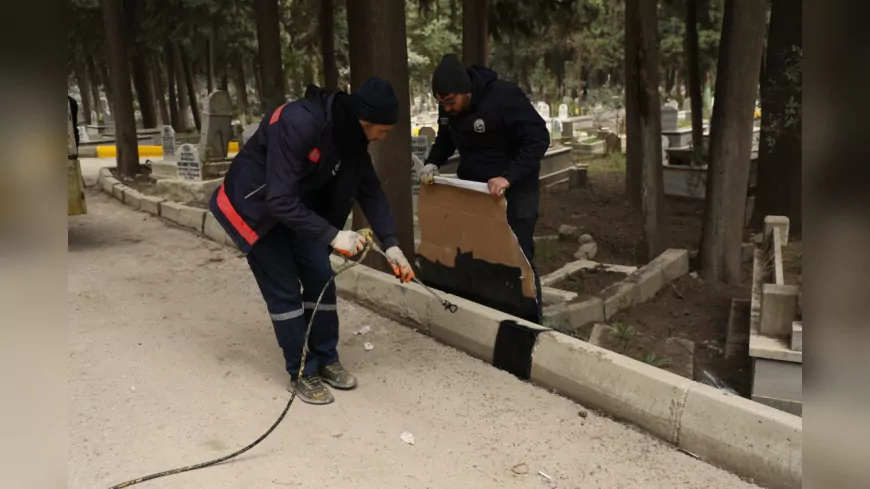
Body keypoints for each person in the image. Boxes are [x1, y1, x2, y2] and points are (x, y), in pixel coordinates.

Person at [209, 77, 416, 405]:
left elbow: (370, 190)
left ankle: (326, 358)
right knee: (285, 289)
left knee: (320, 275)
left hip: (297, 208)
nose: (384, 136)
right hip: (257, 207)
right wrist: (334, 235)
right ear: (366, 121)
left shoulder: (352, 137)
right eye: (384, 129)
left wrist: (391, 244)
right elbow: (278, 200)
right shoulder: (299, 122)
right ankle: (302, 370)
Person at [419, 54, 549, 323]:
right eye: (441, 103)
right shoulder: (449, 105)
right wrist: (432, 163)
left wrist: (508, 177)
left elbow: (538, 139)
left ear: (465, 91)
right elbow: (445, 139)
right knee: (479, 255)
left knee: (516, 257)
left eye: (450, 101)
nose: (447, 108)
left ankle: (529, 323)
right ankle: (486, 319)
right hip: (477, 195)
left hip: (515, 191)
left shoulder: (504, 97)